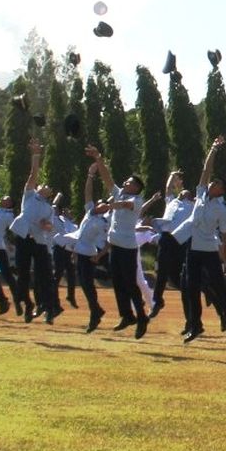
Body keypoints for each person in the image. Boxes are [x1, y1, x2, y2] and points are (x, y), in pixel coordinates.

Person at [177, 136, 226, 343]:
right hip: (193, 249)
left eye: (217, 184)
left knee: (221, 288)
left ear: (222, 191)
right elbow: (205, 172)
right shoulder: (202, 194)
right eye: (212, 182)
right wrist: (213, 150)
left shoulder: (222, 210)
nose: (212, 183)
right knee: (192, 289)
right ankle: (195, 326)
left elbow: (224, 236)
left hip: (210, 251)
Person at [86, 145, 150, 339]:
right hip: (115, 248)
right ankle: (127, 316)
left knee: (130, 284)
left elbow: (124, 205)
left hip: (128, 249)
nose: (124, 183)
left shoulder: (137, 200)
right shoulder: (120, 193)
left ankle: (141, 317)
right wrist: (98, 158)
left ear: (136, 188)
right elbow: (107, 177)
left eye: (129, 182)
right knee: (119, 284)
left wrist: (109, 205)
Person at [8, 140, 58, 324]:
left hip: (38, 241)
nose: (46, 186)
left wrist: (46, 225)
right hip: (22, 237)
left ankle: (49, 309)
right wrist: (36, 155)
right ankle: (28, 305)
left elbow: (50, 227)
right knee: (22, 275)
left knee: (44, 275)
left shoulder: (49, 209)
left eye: (48, 187)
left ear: (50, 194)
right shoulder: (29, 195)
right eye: (43, 185)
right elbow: (33, 174)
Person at [70, 163, 110, 333]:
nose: (99, 205)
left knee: (87, 285)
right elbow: (87, 193)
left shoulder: (104, 222)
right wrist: (90, 175)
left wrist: (100, 255)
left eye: (103, 205)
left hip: (89, 254)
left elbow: (110, 242)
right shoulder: (89, 212)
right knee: (86, 284)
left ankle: (95, 312)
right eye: (99, 203)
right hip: (80, 251)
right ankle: (96, 310)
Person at [150, 171, 194, 319]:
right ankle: (157, 301)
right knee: (162, 271)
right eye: (182, 192)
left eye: (186, 193)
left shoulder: (193, 207)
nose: (182, 193)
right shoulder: (172, 201)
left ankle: (191, 307)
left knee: (176, 275)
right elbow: (168, 189)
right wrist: (172, 175)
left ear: (191, 197)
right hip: (166, 238)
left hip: (181, 241)